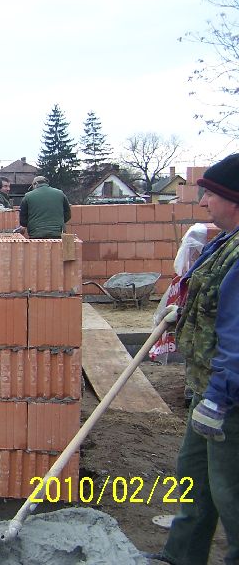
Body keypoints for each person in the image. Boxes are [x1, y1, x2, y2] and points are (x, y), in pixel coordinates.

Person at [158, 154, 239, 565]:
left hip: (229, 401)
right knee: (193, 481)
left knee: (231, 495)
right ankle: (180, 557)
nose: (204, 202)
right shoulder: (225, 241)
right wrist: (184, 310)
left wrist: (220, 398)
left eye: (210, 194)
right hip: (205, 388)